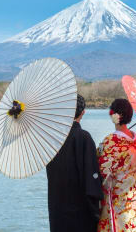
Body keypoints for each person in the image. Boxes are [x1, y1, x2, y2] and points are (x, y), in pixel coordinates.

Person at [46, 94, 104, 232]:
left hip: (57, 213)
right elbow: (91, 181)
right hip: (80, 215)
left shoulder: (52, 139)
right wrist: (97, 213)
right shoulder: (83, 138)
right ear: (83, 112)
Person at [97, 99, 136, 232]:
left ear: (114, 116)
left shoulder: (110, 143)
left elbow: (100, 170)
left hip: (116, 205)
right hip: (135, 206)